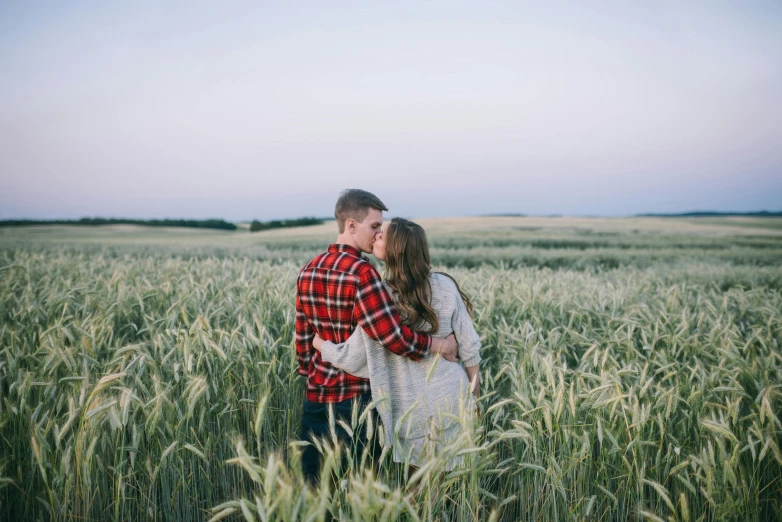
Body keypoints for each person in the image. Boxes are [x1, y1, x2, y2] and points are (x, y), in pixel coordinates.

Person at [295, 189, 459, 486]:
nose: (378, 234)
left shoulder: (308, 269)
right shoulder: (362, 273)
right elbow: (395, 338)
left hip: (315, 401)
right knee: (358, 492)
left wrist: (313, 378)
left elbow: (303, 342)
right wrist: (441, 345)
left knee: (317, 493)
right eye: (374, 226)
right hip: (356, 403)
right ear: (351, 226)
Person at [312, 217, 481, 472]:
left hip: (411, 412)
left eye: (382, 235)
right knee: (454, 487)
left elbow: (354, 357)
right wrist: (475, 399)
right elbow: (469, 349)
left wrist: (319, 344)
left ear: (396, 250)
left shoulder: (380, 296)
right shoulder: (445, 285)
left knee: (419, 492)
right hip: (454, 400)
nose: (376, 234)